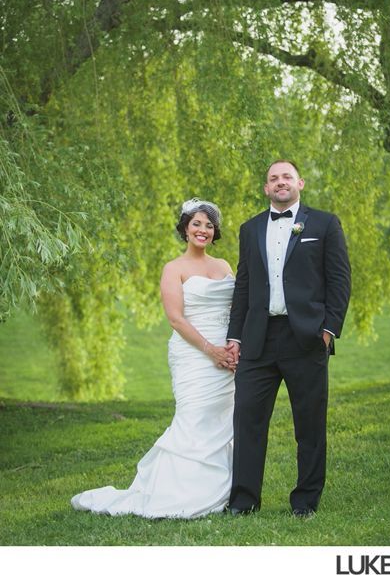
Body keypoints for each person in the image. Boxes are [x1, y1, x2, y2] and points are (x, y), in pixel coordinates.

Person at [71, 199, 237, 518]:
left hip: (226, 355)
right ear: (185, 228)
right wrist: (210, 349)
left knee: (222, 419)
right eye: (197, 224)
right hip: (194, 353)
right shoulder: (173, 269)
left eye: (209, 225)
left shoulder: (225, 266)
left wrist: (231, 346)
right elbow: (175, 318)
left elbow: (233, 311)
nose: (203, 230)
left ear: (215, 232)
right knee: (194, 415)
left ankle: (221, 487)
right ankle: (179, 491)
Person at [226, 160, 351, 517]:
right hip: (258, 340)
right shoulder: (249, 229)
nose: (280, 182)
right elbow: (244, 286)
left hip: (307, 338)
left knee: (309, 424)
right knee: (247, 421)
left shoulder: (324, 223)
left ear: (300, 183)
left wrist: (328, 330)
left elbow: (340, 280)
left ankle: (305, 502)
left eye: (286, 177)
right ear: (266, 189)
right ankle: (243, 501)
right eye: (273, 178)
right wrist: (235, 336)